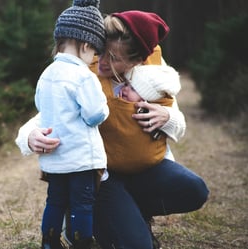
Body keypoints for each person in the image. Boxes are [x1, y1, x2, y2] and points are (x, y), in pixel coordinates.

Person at [15, 10, 209, 249]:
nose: (103, 62)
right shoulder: (83, 70)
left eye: (115, 58)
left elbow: (178, 124)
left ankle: (130, 213)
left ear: (137, 60)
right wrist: (29, 136)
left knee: (195, 190)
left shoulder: (153, 73)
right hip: (102, 177)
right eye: (101, 52)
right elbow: (47, 113)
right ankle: (81, 215)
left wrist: (167, 116)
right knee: (138, 246)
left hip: (145, 170)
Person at [35, 1, 109, 248]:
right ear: (86, 45)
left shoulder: (47, 74)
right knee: (81, 205)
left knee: (55, 201)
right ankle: (82, 242)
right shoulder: (83, 75)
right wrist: (104, 106)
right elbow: (94, 114)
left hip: (55, 158)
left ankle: (49, 241)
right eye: (94, 53)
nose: (93, 59)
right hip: (80, 158)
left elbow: (40, 105)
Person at [103, 64, 181, 173]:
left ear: (146, 99)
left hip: (152, 163)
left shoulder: (153, 107)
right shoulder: (112, 94)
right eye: (126, 84)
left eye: (133, 89)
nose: (125, 89)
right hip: (113, 166)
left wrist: (168, 117)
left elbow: (180, 127)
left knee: (195, 185)